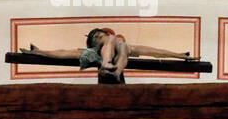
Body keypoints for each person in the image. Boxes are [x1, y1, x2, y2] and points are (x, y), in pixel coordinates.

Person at [21, 29, 193, 82]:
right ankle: (108, 65)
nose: (99, 38)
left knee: (123, 45)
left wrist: (180, 56)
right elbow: (63, 53)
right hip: (106, 65)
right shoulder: (91, 52)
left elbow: (155, 52)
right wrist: (40, 51)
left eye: (99, 34)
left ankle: (115, 70)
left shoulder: (122, 44)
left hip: (115, 68)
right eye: (95, 38)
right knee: (118, 42)